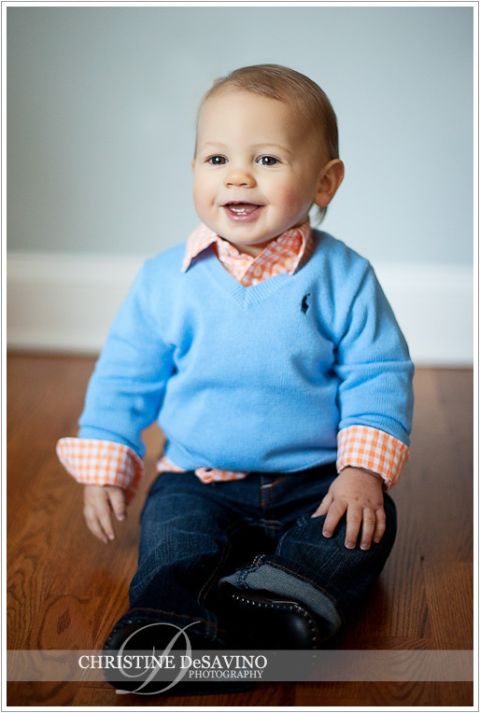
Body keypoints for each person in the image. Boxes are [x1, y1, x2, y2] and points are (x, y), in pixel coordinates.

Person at [57, 63, 413, 678]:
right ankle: (166, 627)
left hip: (314, 478)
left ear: (325, 182)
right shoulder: (165, 281)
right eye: (216, 159)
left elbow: (378, 371)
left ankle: (284, 593)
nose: (238, 176)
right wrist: (108, 457)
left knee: (364, 529)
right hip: (200, 476)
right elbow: (125, 375)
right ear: (194, 170)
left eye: (268, 160)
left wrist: (360, 473)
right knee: (173, 543)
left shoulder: (344, 278)